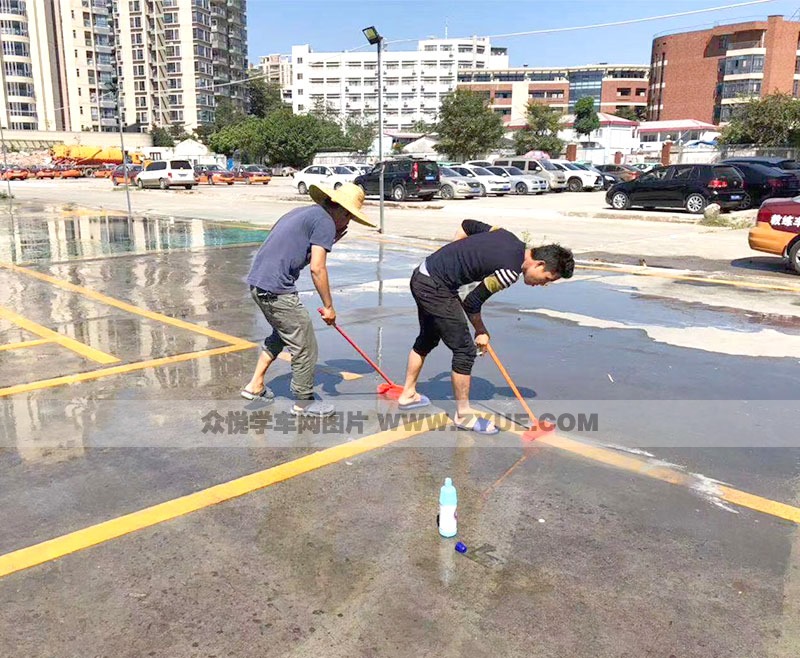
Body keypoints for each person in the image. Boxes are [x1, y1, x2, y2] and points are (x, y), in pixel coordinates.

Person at [397, 219, 574, 434]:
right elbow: (472, 302)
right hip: (435, 287)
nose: (543, 284)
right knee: (464, 351)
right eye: (547, 278)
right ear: (540, 264)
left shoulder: (506, 235)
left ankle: (408, 394)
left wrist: (454, 256)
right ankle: (463, 415)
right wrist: (481, 331)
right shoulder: (509, 273)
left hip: (423, 273)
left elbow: (467, 225)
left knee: (428, 337)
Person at [242, 182, 375, 417]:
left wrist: (328, 239)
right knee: (305, 345)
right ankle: (304, 402)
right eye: (349, 218)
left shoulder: (306, 213)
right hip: (276, 289)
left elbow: (292, 244)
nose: (347, 223)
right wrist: (329, 306)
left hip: (258, 283)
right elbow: (317, 268)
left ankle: (255, 385)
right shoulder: (324, 222)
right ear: (341, 211)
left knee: (282, 334)